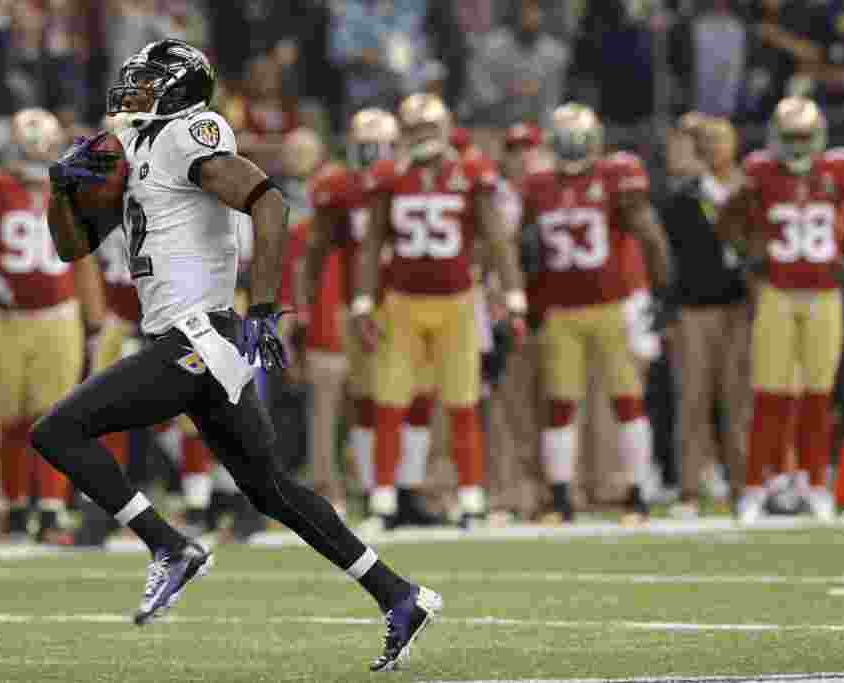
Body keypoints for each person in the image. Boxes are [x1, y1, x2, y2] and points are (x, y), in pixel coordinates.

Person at [35, 39, 440, 671]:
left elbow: (269, 201)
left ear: (179, 89)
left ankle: (169, 546)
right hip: (192, 338)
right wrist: (60, 190)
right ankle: (398, 595)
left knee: (58, 430)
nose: (132, 93)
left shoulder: (186, 134)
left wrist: (264, 306)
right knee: (271, 488)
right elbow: (71, 249)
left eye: (148, 83)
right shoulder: (139, 149)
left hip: (199, 334)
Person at [353, 92, 529, 529]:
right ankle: (383, 502)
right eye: (415, 130)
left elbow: (496, 238)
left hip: (457, 302)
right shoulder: (387, 174)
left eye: (429, 129)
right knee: (390, 403)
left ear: (447, 128)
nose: (422, 138)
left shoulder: (471, 171)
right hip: (402, 302)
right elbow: (373, 243)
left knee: (463, 403)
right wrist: (362, 301)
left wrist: (514, 296)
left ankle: (471, 500)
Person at [0, 108, 107, 544]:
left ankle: (49, 513)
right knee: (11, 421)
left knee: (54, 417)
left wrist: (95, 319)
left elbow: (84, 256)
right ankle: (14, 510)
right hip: (5, 317)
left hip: (58, 315)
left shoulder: (73, 187)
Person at [716, 96, 844, 523]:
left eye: (805, 137)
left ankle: (813, 482)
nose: (799, 146)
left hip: (824, 292)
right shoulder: (760, 172)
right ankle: (756, 484)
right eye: (791, 138)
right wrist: (749, 250)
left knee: (818, 397)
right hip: (778, 292)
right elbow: (727, 221)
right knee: (770, 394)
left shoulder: (840, 170)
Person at [519, 103, 672, 524]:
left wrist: (660, 292)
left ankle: (638, 495)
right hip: (561, 308)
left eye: (577, 140)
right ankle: (562, 498)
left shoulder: (614, 176)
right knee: (560, 404)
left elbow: (650, 234)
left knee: (626, 400)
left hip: (612, 305)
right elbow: (522, 247)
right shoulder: (538, 185)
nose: (571, 148)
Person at [305, 108, 441, 527]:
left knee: (417, 395)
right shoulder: (339, 186)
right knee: (367, 398)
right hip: (361, 304)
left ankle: (409, 491)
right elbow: (317, 248)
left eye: (380, 146)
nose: (372, 156)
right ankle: (372, 489)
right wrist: (305, 301)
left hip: (409, 299)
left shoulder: (412, 180)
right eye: (365, 147)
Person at [664, 116, 751, 518]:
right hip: (693, 307)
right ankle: (689, 488)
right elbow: (673, 254)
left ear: (733, 145)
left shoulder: (751, 189)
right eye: (707, 141)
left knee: (738, 399)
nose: (714, 147)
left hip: (738, 306)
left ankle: (743, 485)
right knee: (693, 399)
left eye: (721, 140)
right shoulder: (683, 195)